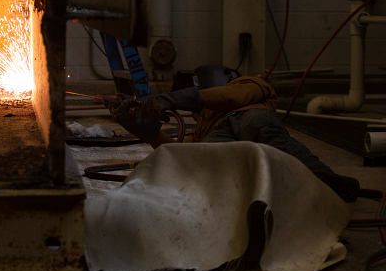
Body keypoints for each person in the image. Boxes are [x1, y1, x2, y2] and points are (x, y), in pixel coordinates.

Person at [107, 65, 361, 202]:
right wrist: (142, 127)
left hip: (249, 117)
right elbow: (180, 155)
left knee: (270, 138)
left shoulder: (247, 84)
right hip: (220, 134)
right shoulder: (206, 123)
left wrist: (175, 98)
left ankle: (326, 181)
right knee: (200, 165)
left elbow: (230, 97)